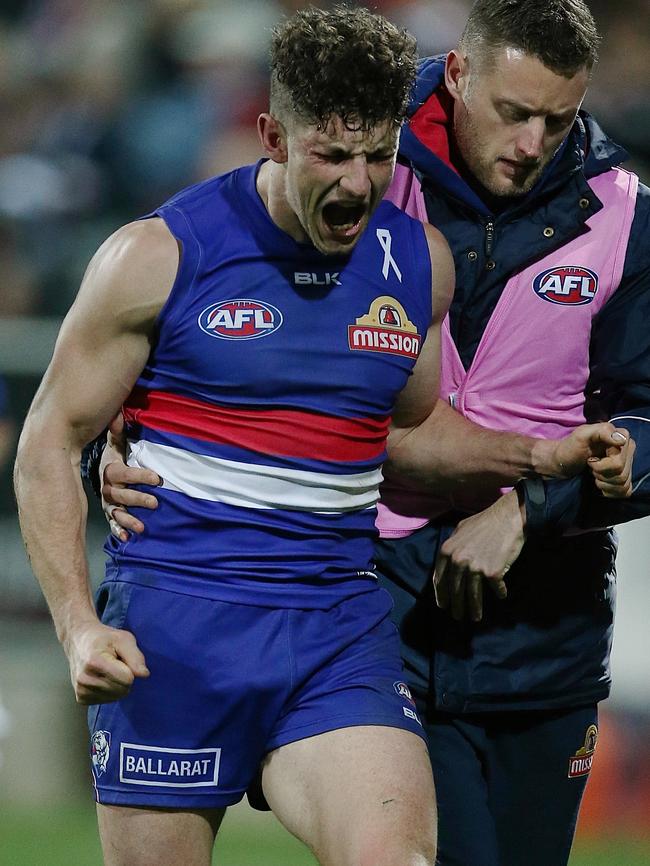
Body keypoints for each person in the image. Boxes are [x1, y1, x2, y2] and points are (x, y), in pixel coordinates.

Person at [96, 2, 647, 865]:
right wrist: (130, 437)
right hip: (375, 590)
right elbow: (219, 311)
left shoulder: (624, 213)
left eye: (559, 117)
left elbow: (644, 424)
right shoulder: (364, 148)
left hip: (544, 617)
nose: (533, 140)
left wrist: (533, 504)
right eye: (514, 112)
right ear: (461, 78)